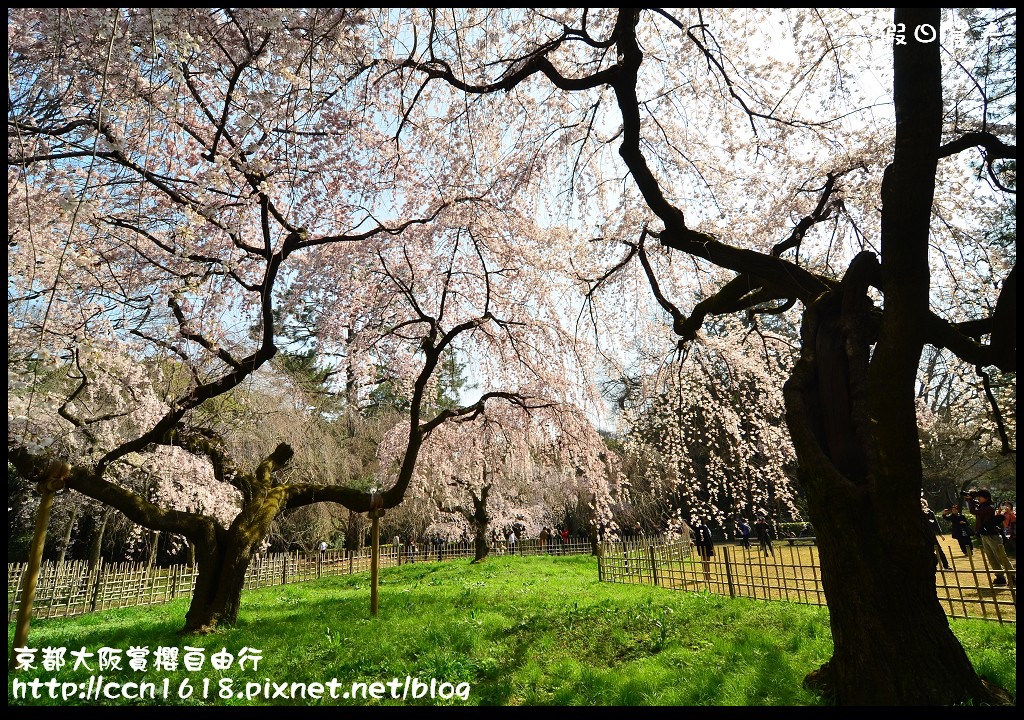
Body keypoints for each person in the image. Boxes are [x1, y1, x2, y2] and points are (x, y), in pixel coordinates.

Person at [973, 489, 1011, 586]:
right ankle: (1000, 576)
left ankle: (1012, 576)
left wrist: (970, 501)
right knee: (991, 557)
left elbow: (973, 511)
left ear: (986, 498)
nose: (978, 499)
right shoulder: (982, 506)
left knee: (1001, 556)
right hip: (984, 534)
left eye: (980, 497)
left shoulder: (989, 507)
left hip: (992, 535)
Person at [920, 498, 950, 571]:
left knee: (939, 550)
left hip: (930, 534)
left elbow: (935, 524)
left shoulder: (929, 512)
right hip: (921, 535)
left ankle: (946, 565)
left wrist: (940, 534)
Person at [692, 517, 714, 584]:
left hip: (703, 546)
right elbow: (706, 538)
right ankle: (707, 576)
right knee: (706, 561)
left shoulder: (700, 527)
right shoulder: (702, 527)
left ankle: (707, 575)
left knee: (706, 561)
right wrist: (711, 547)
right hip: (706, 546)